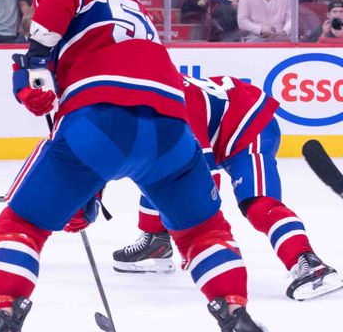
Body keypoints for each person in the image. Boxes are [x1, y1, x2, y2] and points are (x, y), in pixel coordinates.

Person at [0, 0, 282, 332]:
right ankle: (240, 322)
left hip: (100, 121)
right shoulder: (134, 3)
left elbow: (50, 37)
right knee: (203, 232)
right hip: (172, 127)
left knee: (22, 223)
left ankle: (1, 327)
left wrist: (32, 59)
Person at [113, 75, 342, 300]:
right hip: (218, 127)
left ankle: (308, 262)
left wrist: (199, 241)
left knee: (259, 206)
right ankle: (156, 241)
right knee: (158, 169)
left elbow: (202, 183)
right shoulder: (140, 99)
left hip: (250, 129)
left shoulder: (175, 106)